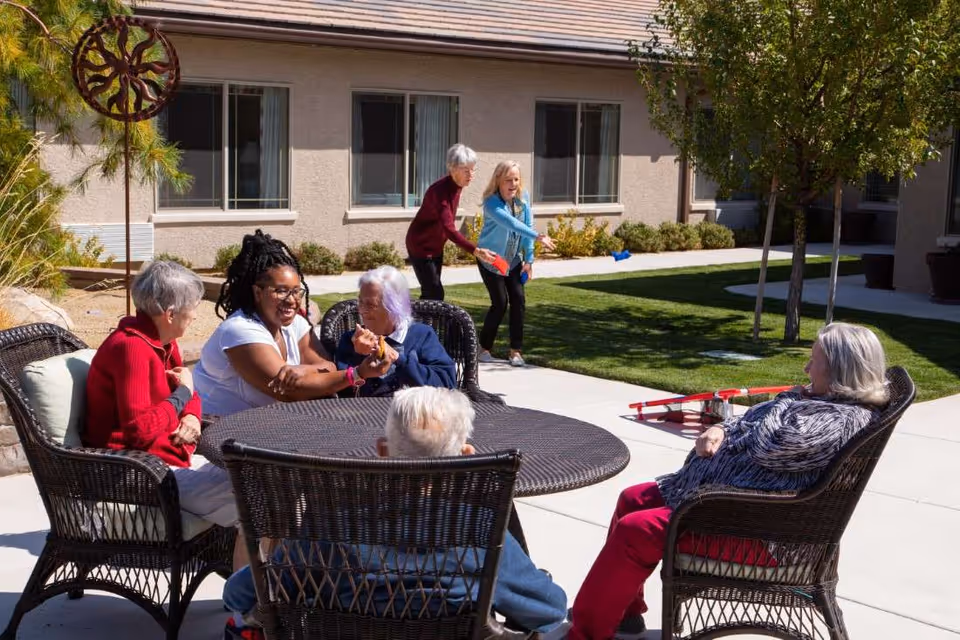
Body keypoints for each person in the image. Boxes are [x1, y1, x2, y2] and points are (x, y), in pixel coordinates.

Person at [566, 322, 891, 640]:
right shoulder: (824, 403)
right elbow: (754, 420)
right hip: (751, 516)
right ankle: (624, 613)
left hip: (769, 537)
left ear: (839, 372)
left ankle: (586, 634)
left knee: (636, 531)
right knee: (633, 498)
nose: (806, 369)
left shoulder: (838, 421)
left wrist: (786, 398)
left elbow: (768, 444)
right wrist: (721, 429)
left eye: (814, 361)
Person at [222, 386, 569, 640]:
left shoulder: (328, 528)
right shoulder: (480, 534)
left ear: (383, 450)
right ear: (465, 455)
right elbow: (549, 610)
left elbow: (237, 596)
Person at [83, 261, 245, 569]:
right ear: (170, 314)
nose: (195, 315)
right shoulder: (131, 349)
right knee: (261, 506)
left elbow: (191, 392)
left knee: (262, 484)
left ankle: (252, 596)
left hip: (168, 460)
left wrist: (192, 417)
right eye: (192, 308)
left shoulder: (163, 343)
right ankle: (249, 609)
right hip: (135, 472)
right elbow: (138, 431)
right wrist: (181, 396)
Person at [194, 230, 390, 416]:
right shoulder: (240, 330)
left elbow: (328, 366)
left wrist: (304, 369)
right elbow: (290, 392)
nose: (291, 300)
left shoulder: (295, 323)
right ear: (257, 293)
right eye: (281, 290)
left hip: (264, 425)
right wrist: (358, 373)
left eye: (296, 291)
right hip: (217, 428)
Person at [476, 161, 556, 367]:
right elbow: (511, 224)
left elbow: (526, 225)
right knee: (500, 302)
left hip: (512, 260)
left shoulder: (523, 199)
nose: (513, 184)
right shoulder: (491, 202)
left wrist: (529, 260)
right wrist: (539, 236)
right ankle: (483, 348)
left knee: (518, 300)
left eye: (516, 179)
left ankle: (515, 351)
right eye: (508, 180)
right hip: (490, 259)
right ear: (498, 181)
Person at [334, 266, 457, 397]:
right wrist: (358, 356)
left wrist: (398, 358)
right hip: (362, 415)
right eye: (360, 302)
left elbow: (447, 383)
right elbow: (341, 395)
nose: (361, 310)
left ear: (394, 307)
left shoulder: (421, 335)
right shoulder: (351, 340)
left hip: (411, 414)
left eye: (370, 304)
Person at [405, 143, 498, 301]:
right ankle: (413, 323)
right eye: (466, 170)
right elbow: (449, 229)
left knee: (431, 295)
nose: (471, 175)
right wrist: (476, 250)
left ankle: (424, 324)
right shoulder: (440, 192)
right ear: (452, 168)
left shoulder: (456, 186)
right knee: (434, 294)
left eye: (472, 170)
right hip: (421, 245)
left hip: (435, 246)